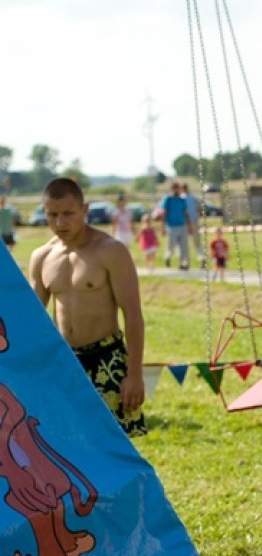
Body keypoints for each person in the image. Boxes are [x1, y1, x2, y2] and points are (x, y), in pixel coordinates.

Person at [28, 177, 146, 437]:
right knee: (64, 443)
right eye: (52, 215)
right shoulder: (41, 257)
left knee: (112, 446)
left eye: (68, 213)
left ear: (84, 210)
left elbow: (133, 314)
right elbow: (32, 321)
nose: (60, 223)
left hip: (107, 358)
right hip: (64, 362)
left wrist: (135, 375)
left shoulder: (111, 251)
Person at [160, 182, 192, 270]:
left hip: (182, 225)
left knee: (183, 245)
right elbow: (164, 213)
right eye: (174, 188)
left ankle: (183, 262)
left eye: (177, 188)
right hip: (171, 226)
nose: (176, 190)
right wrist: (162, 227)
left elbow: (186, 213)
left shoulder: (182, 200)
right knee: (171, 244)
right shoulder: (168, 200)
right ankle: (168, 256)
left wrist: (190, 226)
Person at [181, 182, 205, 266]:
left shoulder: (182, 198)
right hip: (194, 221)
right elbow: (200, 209)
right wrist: (197, 216)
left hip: (185, 223)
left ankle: (186, 262)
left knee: (185, 243)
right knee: (197, 242)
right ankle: (201, 258)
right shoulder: (193, 197)